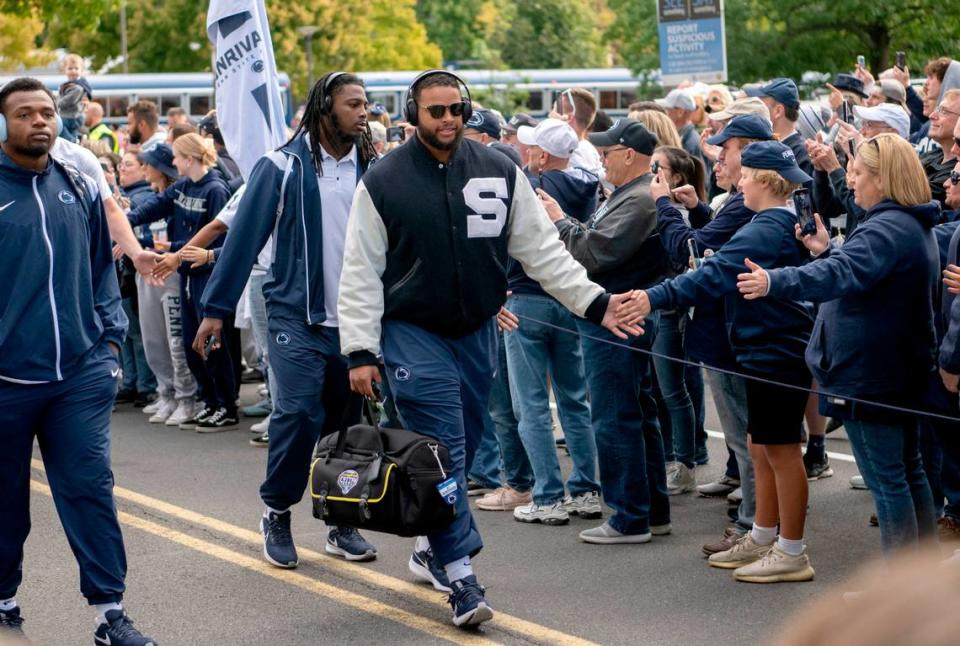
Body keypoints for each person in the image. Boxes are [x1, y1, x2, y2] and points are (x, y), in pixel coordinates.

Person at [338, 70, 640, 626]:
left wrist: (596, 304)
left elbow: (543, 252)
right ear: (414, 115)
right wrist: (359, 349)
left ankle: (433, 546)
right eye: (436, 111)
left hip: (477, 331)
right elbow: (360, 270)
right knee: (443, 450)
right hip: (411, 332)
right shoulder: (382, 180)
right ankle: (463, 581)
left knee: (465, 446)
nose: (448, 119)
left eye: (456, 108)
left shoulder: (501, 170)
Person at [194, 72, 382, 569]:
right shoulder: (280, 166)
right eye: (354, 104)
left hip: (356, 322)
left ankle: (342, 521)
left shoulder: (375, 167)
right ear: (324, 108)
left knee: (350, 427)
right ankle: (277, 510)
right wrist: (216, 311)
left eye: (366, 104)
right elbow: (243, 239)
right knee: (298, 414)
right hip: (295, 315)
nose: (365, 112)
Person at [0, 76, 157, 645]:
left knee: (89, 488)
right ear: (3, 124)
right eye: (24, 114)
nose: (40, 121)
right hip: (7, 382)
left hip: (78, 376)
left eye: (46, 112)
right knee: (6, 500)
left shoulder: (79, 181)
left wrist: (109, 347)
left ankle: (110, 613)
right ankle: (3, 592)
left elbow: (101, 270)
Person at [737, 133, 939, 555]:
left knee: (890, 482)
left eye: (859, 172)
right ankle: (917, 583)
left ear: (884, 180)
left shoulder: (885, 228)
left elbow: (839, 274)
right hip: (895, 370)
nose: (851, 180)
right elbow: (852, 269)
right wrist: (826, 249)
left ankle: (898, 592)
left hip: (870, 376)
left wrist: (774, 280)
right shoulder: (905, 223)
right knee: (908, 473)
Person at [627, 140, 817, 583]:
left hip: (776, 350)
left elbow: (710, 273)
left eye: (747, 175)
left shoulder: (766, 227)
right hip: (762, 347)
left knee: (783, 451)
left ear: (767, 181)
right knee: (761, 445)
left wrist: (649, 297)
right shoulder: (771, 221)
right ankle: (764, 534)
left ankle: (791, 550)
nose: (740, 181)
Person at [535, 119, 672, 545]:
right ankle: (650, 509)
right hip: (620, 315)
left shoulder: (639, 200)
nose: (601, 160)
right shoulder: (631, 195)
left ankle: (630, 517)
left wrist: (558, 220)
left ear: (629, 154)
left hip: (617, 318)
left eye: (608, 152)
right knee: (635, 412)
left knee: (615, 416)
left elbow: (594, 253)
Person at [652, 113, 774, 552]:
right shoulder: (744, 204)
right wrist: (698, 209)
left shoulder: (754, 206)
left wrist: (665, 206)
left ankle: (754, 529)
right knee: (753, 442)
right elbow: (711, 238)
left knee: (749, 440)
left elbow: (695, 252)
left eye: (729, 149)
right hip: (731, 333)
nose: (721, 158)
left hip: (734, 336)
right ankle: (758, 526)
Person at [500, 118, 600, 524]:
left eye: (532, 149)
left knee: (532, 405)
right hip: (571, 298)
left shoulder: (527, 185)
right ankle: (586, 489)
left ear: (542, 154)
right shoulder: (588, 188)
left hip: (527, 298)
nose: (526, 154)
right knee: (575, 399)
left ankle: (548, 496)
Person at [128, 135, 235, 430]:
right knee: (192, 343)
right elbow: (154, 207)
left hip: (207, 276)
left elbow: (221, 236)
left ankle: (225, 404)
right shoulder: (184, 187)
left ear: (189, 158)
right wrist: (123, 220)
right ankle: (209, 400)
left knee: (212, 344)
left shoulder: (215, 189)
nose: (173, 163)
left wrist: (172, 247)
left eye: (176, 157)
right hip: (188, 274)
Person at [648, 145, 707, 494]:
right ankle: (676, 456)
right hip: (657, 305)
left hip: (669, 309)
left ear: (677, 178)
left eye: (658, 166)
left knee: (674, 390)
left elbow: (679, 251)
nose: (651, 170)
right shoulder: (659, 207)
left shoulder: (676, 213)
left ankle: (686, 462)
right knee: (661, 389)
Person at [131, 144, 200, 427]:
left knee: (175, 341)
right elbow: (140, 220)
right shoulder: (152, 198)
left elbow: (189, 236)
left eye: (147, 164)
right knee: (153, 340)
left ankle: (187, 398)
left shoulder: (180, 195)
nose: (143, 168)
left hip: (169, 274)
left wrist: (170, 248)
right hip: (148, 271)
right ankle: (166, 392)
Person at [746, 78, 813, 178]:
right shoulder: (772, 146)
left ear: (778, 111)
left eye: (761, 106)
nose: (756, 112)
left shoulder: (801, 153)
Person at [922, 90, 960, 206]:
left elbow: (909, 195)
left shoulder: (955, 173)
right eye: (937, 109)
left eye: (943, 111)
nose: (932, 116)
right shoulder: (933, 154)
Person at [657, 88, 702, 159]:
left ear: (680, 112)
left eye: (667, 109)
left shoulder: (690, 142)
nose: (664, 113)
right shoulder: (683, 137)